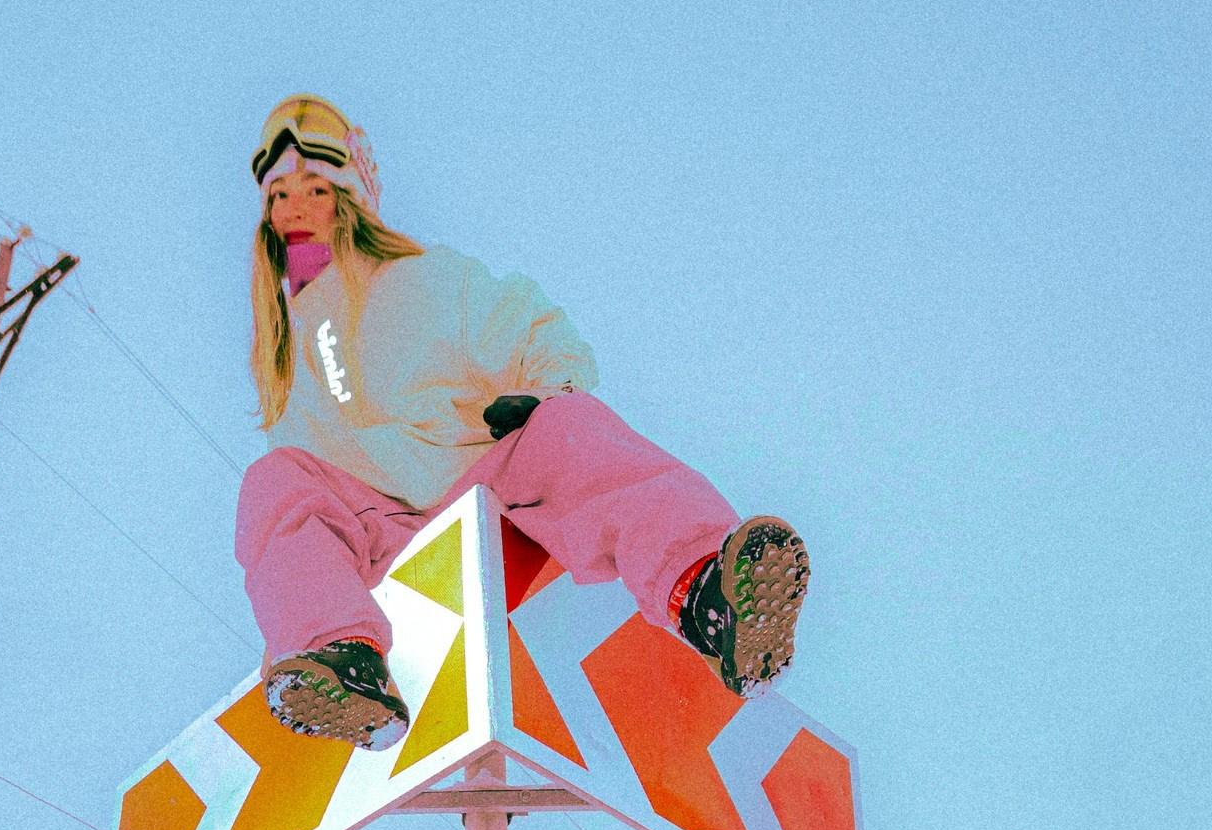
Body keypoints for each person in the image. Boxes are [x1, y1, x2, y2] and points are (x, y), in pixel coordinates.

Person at [238, 95, 809, 750]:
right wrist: (299, 595)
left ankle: (711, 595)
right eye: (279, 195)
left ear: (350, 200)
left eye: (315, 189)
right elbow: (295, 520)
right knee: (273, 482)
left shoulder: (424, 282)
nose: (295, 209)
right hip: (384, 537)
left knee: (567, 430)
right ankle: (339, 663)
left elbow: (531, 328)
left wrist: (544, 392)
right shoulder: (281, 359)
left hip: (486, 493)